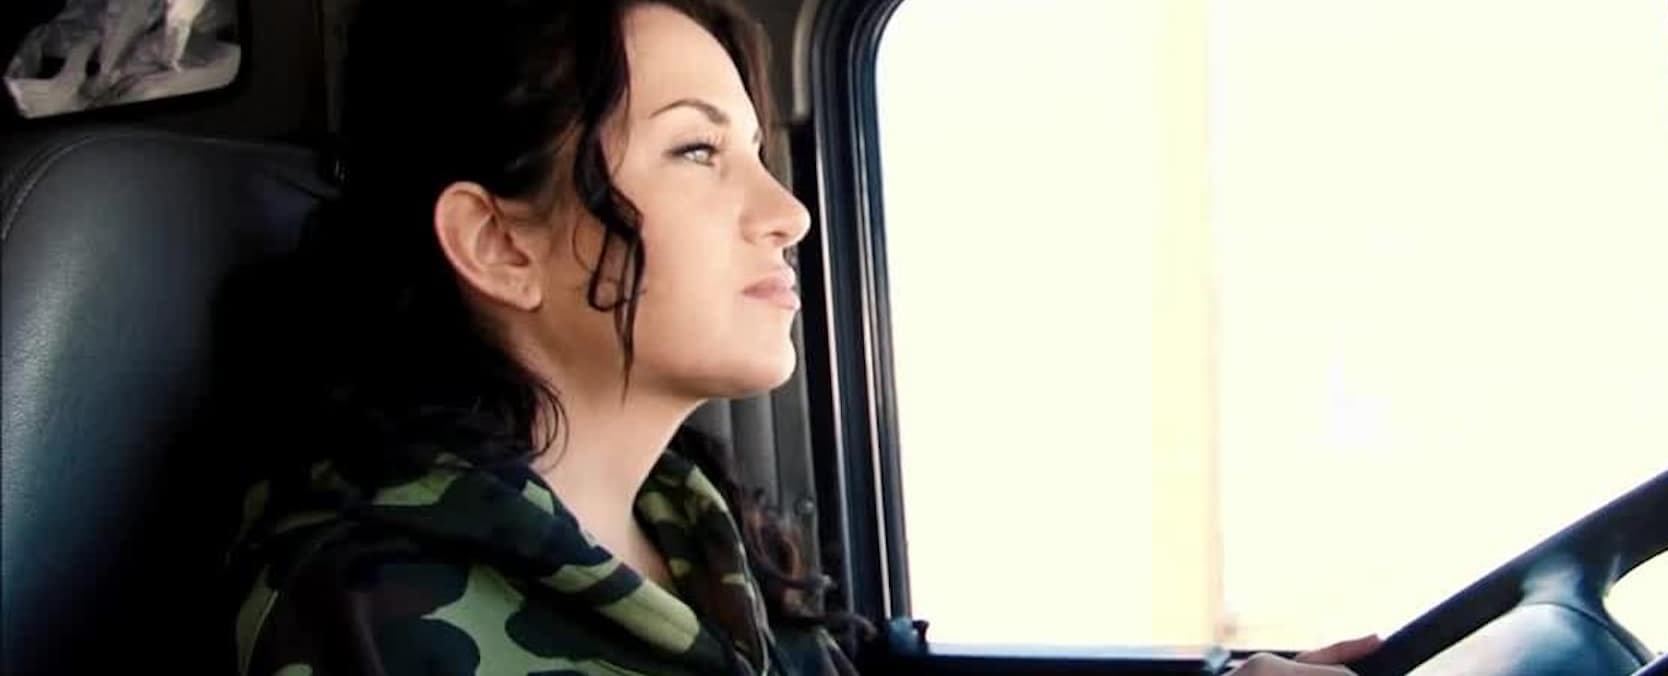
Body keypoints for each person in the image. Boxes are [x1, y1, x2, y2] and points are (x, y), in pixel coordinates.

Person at [222, 1, 1381, 674]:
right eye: (697, 151)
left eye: (757, 153)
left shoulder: (688, 523)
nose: (787, 213)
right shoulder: (366, 616)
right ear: (498, 243)